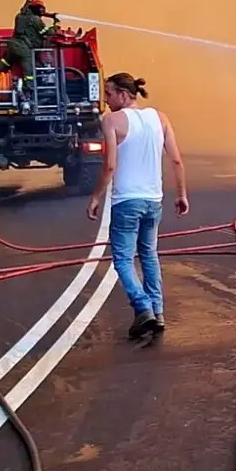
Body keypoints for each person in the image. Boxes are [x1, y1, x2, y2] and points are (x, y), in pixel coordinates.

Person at [86, 73, 190, 340]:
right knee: (149, 255)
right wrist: (181, 194)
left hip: (126, 201)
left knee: (122, 259)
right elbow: (177, 160)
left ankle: (143, 308)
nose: (106, 100)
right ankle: (158, 312)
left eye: (109, 94)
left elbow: (110, 165)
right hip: (154, 201)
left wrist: (96, 196)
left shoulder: (111, 120)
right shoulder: (161, 118)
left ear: (123, 94)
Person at [0, 0, 59, 91]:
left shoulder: (19, 16)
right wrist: (56, 26)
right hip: (24, 49)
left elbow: (26, 13)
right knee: (29, 70)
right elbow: (47, 32)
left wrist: (50, 15)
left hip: (12, 46)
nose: (42, 11)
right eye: (41, 9)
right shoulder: (35, 19)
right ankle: (29, 89)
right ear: (36, 9)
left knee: (5, 63)